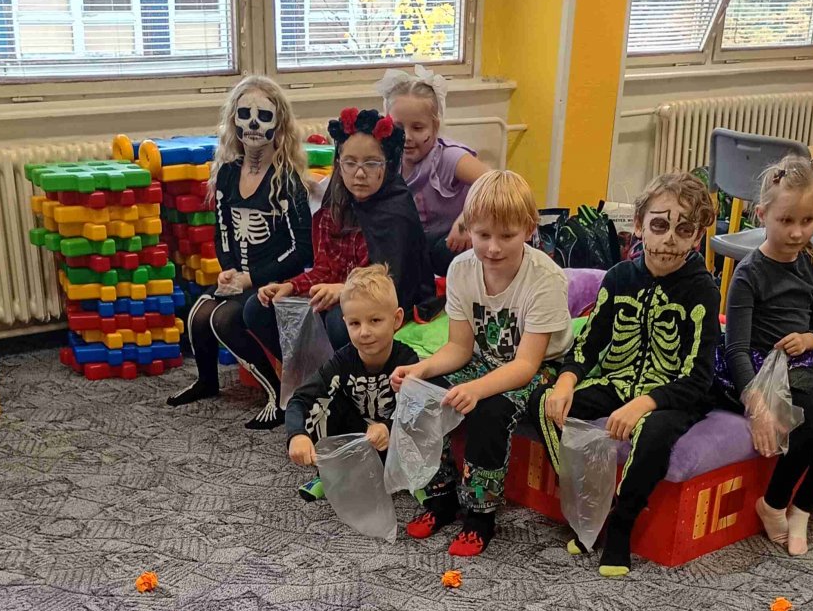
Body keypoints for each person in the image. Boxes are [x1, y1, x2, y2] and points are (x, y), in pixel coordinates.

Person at [531, 171, 719, 578]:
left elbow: (699, 376)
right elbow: (588, 343)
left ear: (697, 237)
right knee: (543, 401)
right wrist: (566, 381)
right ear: (638, 225)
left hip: (673, 394)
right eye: (659, 225)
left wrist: (644, 404)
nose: (669, 239)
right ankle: (586, 503)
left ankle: (621, 522)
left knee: (653, 431)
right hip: (618, 382)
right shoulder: (618, 278)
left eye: (684, 230)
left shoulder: (702, 289)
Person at [390, 170, 573, 557]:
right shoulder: (461, 269)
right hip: (484, 359)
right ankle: (440, 497)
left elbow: (526, 366)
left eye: (506, 236)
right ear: (468, 228)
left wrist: (474, 389)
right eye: (483, 235)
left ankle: (480, 516)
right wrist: (420, 370)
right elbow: (458, 348)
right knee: (421, 395)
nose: (492, 247)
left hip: (541, 367)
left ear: (529, 229)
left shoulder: (546, 278)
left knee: (490, 409)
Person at [229, 107, 433, 430]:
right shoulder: (336, 204)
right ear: (339, 163)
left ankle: (347, 395)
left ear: (388, 164)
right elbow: (325, 267)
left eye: (371, 163)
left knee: (343, 320)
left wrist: (344, 291)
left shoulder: (395, 210)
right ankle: (313, 385)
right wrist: (290, 286)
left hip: (378, 302)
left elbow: (393, 280)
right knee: (258, 307)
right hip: (335, 294)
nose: (359, 173)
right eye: (349, 163)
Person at [720, 156, 813, 557]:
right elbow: (735, 347)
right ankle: (773, 502)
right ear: (762, 215)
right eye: (786, 221)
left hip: (801, 367)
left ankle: (801, 508)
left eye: (808, 221)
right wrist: (756, 404)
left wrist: (809, 339)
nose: (798, 232)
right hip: (758, 370)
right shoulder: (749, 273)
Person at [168, 75, 312, 415]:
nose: (253, 125)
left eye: (263, 116)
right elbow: (222, 232)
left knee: (224, 319)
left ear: (278, 124)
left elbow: (302, 250)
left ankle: (277, 395)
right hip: (240, 277)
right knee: (197, 314)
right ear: (234, 120)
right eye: (245, 114)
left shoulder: (286, 180)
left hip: (274, 282)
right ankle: (207, 381)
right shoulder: (228, 173)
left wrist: (252, 278)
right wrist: (229, 270)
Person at [285, 265, 406, 502]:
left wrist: (388, 427)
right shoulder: (341, 361)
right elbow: (299, 399)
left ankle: (414, 479)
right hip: (357, 443)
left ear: (396, 319)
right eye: (354, 323)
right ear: (345, 323)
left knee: (424, 405)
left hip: (394, 446)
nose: (364, 332)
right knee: (322, 401)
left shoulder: (407, 361)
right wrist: (297, 435)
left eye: (375, 320)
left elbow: (418, 411)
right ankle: (330, 473)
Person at [381, 66, 490, 274]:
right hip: (416, 245)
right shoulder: (389, 160)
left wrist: (466, 221)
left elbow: (495, 181)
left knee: (443, 253)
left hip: (452, 244)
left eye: (418, 128)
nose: (407, 137)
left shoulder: (448, 157)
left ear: (435, 126)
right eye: (398, 128)